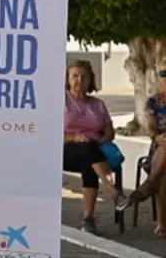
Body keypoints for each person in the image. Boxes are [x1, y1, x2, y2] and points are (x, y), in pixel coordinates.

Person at [63, 59, 128, 233]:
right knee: (87, 148)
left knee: (89, 157)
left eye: (84, 77)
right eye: (74, 76)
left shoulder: (98, 104)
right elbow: (51, 132)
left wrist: (104, 139)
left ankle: (88, 218)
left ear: (90, 80)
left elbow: (109, 131)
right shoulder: (61, 101)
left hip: (92, 153)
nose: (79, 80)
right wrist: (74, 136)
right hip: (66, 150)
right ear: (67, 79)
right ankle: (113, 191)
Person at [120, 67, 166, 237]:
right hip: (160, 147)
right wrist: (158, 137)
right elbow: (151, 128)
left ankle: (149, 186)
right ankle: (162, 223)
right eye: (164, 75)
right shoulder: (154, 101)